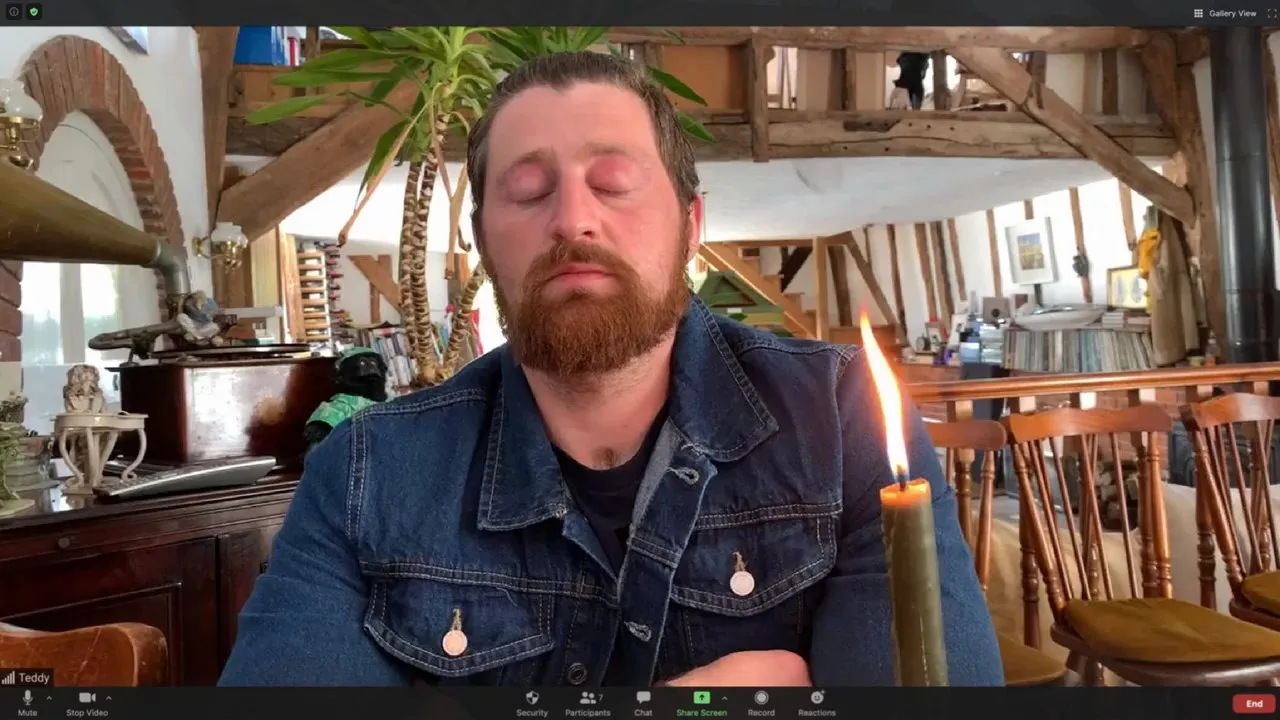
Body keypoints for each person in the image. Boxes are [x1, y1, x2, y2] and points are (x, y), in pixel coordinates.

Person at [219, 51, 1003, 687]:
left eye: (614, 184)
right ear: (485, 244)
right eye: (528, 191)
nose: (573, 219)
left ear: (690, 226)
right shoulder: (365, 474)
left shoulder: (843, 417)